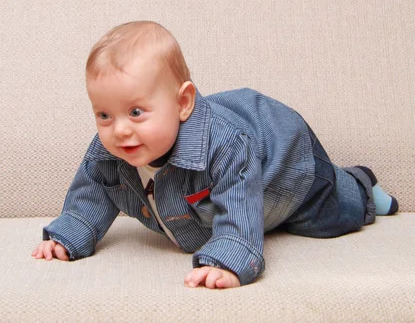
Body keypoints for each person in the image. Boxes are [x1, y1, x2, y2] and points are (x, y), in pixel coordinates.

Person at [32, 21, 399, 289]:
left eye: (136, 112)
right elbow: (90, 195)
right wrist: (69, 236)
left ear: (183, 103)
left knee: (327, 218)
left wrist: (229, 259)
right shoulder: (109, 152)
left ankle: (360, 184)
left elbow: (238, 207)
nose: (120, 130)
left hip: (286, 165)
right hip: (256, 176)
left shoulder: (225, 146)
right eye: (104, 115)